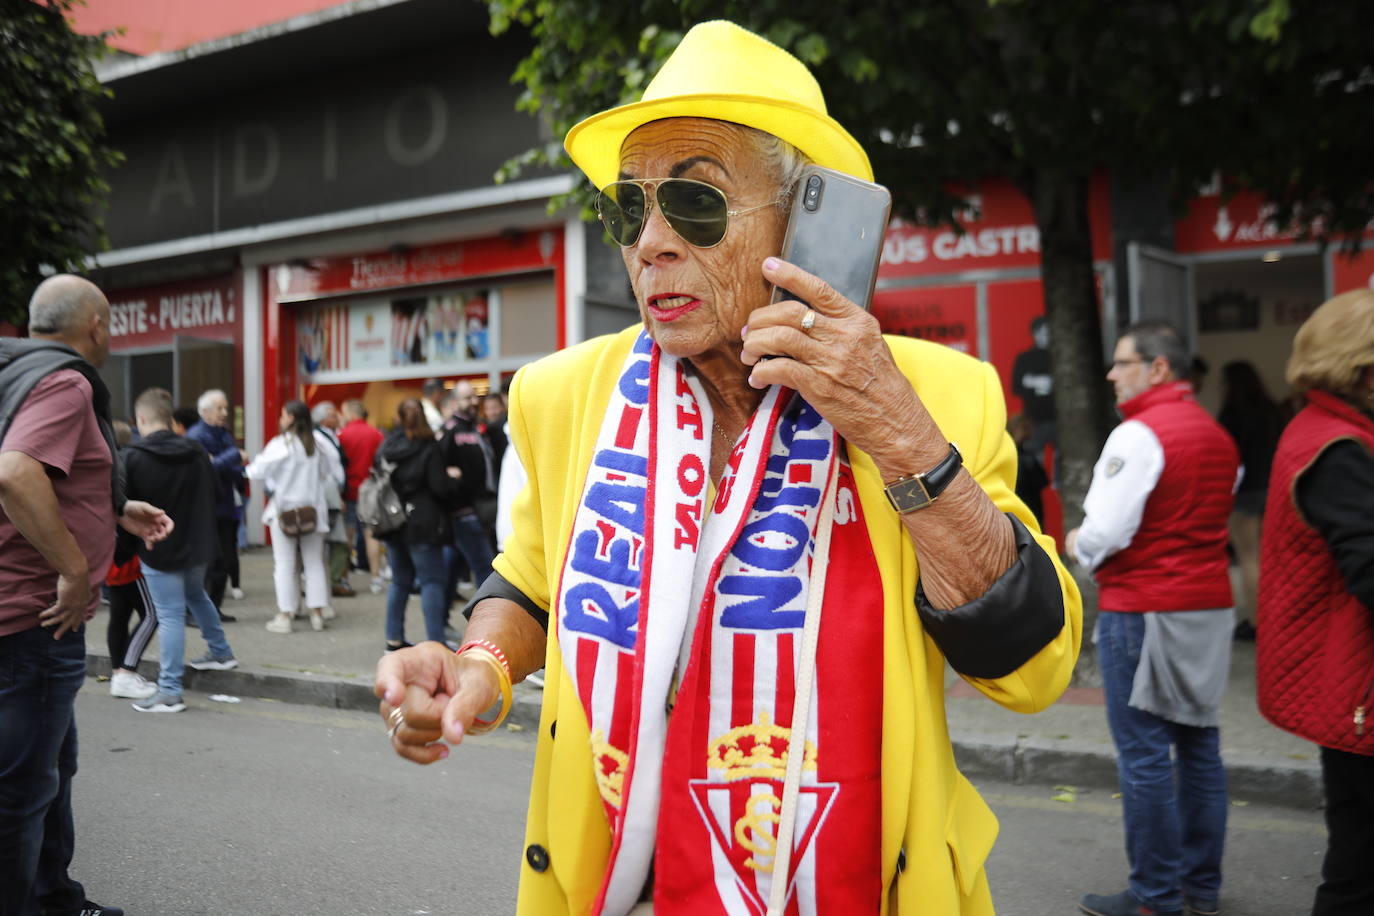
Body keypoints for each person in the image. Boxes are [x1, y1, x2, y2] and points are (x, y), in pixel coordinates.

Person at [376, 21, 1080, 915]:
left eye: (696, 205)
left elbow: (1032, 671)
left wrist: (898, 432)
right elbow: (532, 582)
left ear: (806, 222)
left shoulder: (936, 394)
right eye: (629, 211)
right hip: (629, 885)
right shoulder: (560, 396)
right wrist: (480, 664)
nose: (651, 245)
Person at [0, 274, 171, 916]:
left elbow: (45, 475)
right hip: (37, 615)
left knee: (52, 767)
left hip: (21, 614)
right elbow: (15, 474)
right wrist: (73, 569)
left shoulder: (13, 372)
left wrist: (114, 507)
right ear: (96, 326)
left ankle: (55, 897)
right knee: (23, 790)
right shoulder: (66, 380)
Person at [1066, 321, 1240, 916]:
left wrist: (1076, 546)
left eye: (1123, 363)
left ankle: (1155, 896)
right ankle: (1201, 889)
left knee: (1143, 755)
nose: (1113, 374)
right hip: (1208, 606)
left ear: (1158, 368)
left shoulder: (1136, 436)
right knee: (1199, 747)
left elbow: (1106, 532)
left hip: (1144, 607)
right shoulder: (1216, 434)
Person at [1255, 289, 1374, 916]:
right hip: (1357, 690)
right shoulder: (1338, 448)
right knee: (1356, 877)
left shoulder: (1329, 430)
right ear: (1361, 367)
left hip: (1350, 684)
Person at [123, 388, 239, 713]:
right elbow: (216, 492)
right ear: (171, 420)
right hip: (199, 542)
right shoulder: (197, 451)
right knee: (196, 596)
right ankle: (220, 651)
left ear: (141, 419)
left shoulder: (132, 457)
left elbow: (122, 507)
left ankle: (170, 690)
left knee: (170, 614)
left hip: (158, 545)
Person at [376, 398, 463, 651]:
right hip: (422, 523)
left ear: (399, 418)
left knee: (400, 582)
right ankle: (435, 640)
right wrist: (454, 479)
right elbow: (440, 487)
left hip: (393, 522)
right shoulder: (428, 447)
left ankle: (393, 639)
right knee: (432, 581)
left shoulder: (389, 446)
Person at [246, 400, 332, 634]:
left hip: (284, 512)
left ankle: (285, 615)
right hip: (313, 512)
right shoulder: (318, 445)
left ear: (291, 417)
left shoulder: (281, 444)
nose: (280, 418)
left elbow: (257, 470)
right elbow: (327, 473)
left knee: (284, 564)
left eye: (283, 414)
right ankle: (317, 614)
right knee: (314, 564)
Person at [1216, 360, 1285, 640]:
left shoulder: (1232, 415)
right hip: (1271, 488)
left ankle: (1257, 622)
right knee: (1269, 559)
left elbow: (1227, 458)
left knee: (1248, 559)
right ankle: (1273, 617)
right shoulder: (1272, 410)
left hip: (1244, 492)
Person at [105, 420, 158, 701]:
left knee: (119, 614)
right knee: (153, 613)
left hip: (109, 555)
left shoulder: (104, 465)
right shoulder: (125, 465)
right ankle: (126, 671)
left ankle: (119, 672)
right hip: (126, 556)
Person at [185, 388, 246, 622]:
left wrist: (229, 461)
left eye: (225, 408)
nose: (224, 413)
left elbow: (229, 467)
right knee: (210, 561)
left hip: (227, 505)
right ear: (205, 411)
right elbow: (208, 467)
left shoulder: (223, 434)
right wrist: (234, 456)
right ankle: (198, 611)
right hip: (208, 507)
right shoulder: (197, 436)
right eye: (219, 408)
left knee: (225, 559)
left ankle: (213, 609)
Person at [439, 381, 497, 611]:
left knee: (452, 566)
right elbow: (439, 467)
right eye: (467, 398)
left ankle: (440, 622)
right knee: (485, 568)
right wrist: (452, 480)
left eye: (474, 397)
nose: (473, 402)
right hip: (464, 511)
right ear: (455, 402)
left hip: (480, 507)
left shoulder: (476, 428)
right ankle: (490, 620)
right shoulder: (451, 430)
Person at [338, 399, 386, 593]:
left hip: (350, 490)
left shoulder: (343, 435)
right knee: (371, 534)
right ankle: (375, 578)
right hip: (372, 492)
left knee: (348, 535)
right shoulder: (376, 434)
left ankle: (344, 578)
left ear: (350, 413)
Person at [312, 400, 353, 598]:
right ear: (322, 420)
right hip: (329, 495)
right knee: (336, 539)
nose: (337, 418)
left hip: (335, 494)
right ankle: (334, 580)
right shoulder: (318, 438)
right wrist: (336, 497)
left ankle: (334, 579)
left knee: (336, 539)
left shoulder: (332, 437)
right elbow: (326, 471)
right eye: (332, 415)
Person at [1011, 315, 1057, 458]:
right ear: (1035, 334)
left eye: (1049, 334)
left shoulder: (1059, 357)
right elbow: (1016, 386)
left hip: (1057, 418)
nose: (1046, 337)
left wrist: (1033, 381)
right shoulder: (1025, 358)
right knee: (1034, 458)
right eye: (1043, 333)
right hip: (1034, 419)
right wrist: (1036, 383)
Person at [1008, 413, 1048, 527]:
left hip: (1031, 506)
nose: (1029, 433)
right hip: (1022, 505)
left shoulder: (1027, 453)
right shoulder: (1016, 455)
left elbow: (1043, 480)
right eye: (1025, 428)